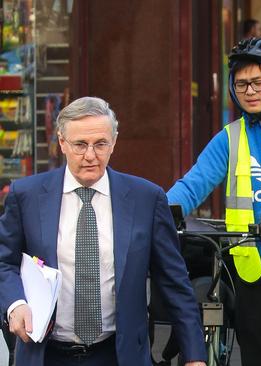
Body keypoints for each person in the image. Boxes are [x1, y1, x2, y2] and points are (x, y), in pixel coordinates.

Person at [0, 97, 206, 366]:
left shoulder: (146, 199)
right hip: (45, 353)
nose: (90, 155)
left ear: (114, 142)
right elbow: (4, 261)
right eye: (80, 145)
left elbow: (174, 282)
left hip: (119, 354)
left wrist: (194, 356)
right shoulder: (27, 196)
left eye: (100, 144)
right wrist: (15, 303)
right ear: (62, 142)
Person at [167, 37, 261, 366]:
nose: (249, 91)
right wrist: (157, 212)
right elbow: (192, 185)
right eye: (241, 84)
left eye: (258, 82)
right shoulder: (230, 137)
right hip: (253, 272)